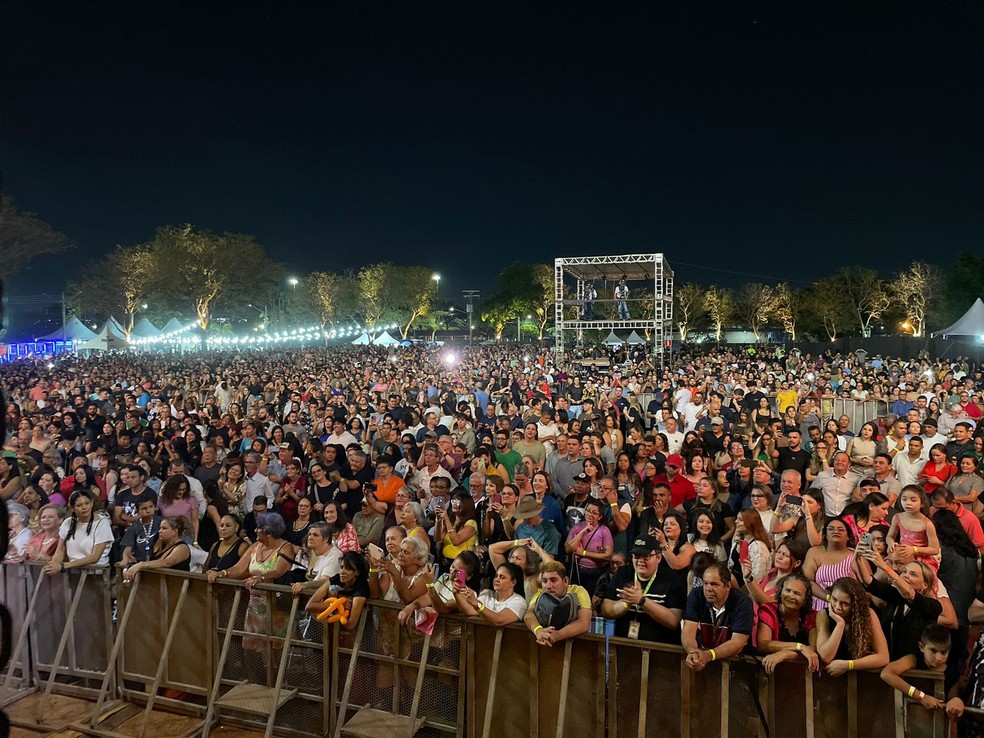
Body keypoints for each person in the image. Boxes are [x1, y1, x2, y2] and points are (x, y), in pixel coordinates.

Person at [857, 546, 944, 660]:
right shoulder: (895, 596)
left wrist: (885, 567)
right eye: (904, 572)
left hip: (916, 666)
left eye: (913, 574)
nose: (906, 575)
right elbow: (868, 581)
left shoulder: (933, 606)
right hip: (889, 660)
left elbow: (909, 593)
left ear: (925, 585)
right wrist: (858, 557)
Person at [601, 534, 686, 644]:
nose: (640, 561)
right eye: (636, 556)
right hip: (623, 644)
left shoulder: (672, 580)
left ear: (658, 557)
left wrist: (642, 601)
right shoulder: (623, 573)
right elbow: (606, 610)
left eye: (646, 556)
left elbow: (674, 621)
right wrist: (626, 604)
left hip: (659, 648)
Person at [682, 562, 755, 670]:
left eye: (714, 584)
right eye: (705, 583)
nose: (708, 589)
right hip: (703, 660)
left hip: (735, 664)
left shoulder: (742, 602)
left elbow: (737, 642)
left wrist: (709, 655)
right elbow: (688, 630)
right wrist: (692, 651)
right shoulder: (697, 595)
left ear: (728, 586)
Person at [881, 624, 963, 716]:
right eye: (933, 651)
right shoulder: (913, 660)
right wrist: (921, 696)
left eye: (943, 652)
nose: (939, 658)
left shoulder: (953, 672)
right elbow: (886, 673)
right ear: (922, 647)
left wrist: (956, 702)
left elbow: (953, 700)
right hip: (908, 716)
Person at [815, 577, 890, 675]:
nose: (837, 607)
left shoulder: (868, 615)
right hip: (832, 679)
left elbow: (883, 657)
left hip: (863, 676)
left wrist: (848, 665)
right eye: (834, 599)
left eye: (844, 604)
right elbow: (825, 655)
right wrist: (840, 624)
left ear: (854, 605)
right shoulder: (823, 615)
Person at [756, 572, 820, 674]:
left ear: (805, 599)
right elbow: (763, 644)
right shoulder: (768, 610)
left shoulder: (812, 616)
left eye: (797, 593)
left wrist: (785, 654)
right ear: (780, 592)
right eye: (788, 590)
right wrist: (800, 647)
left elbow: (813, 649)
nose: (791, 596)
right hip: (768, 672)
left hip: (802, 674)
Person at [44, 490, 114, 574]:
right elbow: (60, 550)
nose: (84, 507)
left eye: (87, 503)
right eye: (79, 505)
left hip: (96, 573)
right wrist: (54, 564)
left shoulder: (102, 522)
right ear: (73, 509)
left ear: (92, 503)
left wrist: (64, 566)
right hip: (73, 572)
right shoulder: (67, 523)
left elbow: (95, 557)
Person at [803, 517, 865, 611]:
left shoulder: (855, 555)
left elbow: (867, 582)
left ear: (848, 536)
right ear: (825, 534)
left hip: (847, 608)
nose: (836, 531)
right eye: (831, 529)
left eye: (840, 529)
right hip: (819, 606)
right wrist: (828, 598)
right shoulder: (814, 552)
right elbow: (807, 580)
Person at [525, 561, 592, 646]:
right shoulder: (540, 594)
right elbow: (529, 614)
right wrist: (538, 630)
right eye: (544, 581)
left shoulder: (579, 591)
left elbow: (584, 623)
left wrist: (557, 635)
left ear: (565, 581)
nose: (548, 586)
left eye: (553, 580)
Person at [304, 552, 370, 632]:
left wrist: (333, 607)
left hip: (358, 635)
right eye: (341, 567)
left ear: (357, 572)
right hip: (328, 631)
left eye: (348, 569)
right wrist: (339, 606)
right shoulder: (336, 579)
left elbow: (350, 625)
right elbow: (309, 605)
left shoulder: (362, 587)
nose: (342, 571)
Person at [564, 497, 613, 596]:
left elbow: (607, 555)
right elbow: (568, 549)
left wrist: (584, 553)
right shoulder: (577, 527)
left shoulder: (604, 530)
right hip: (576, 570)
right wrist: (582, 532)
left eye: (594, 513)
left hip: (595, 573)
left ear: (599, 517)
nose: (590, 514)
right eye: (588, 511)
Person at [887, 485, 940, 573]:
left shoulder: (927, 524)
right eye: (904, 499)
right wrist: (891, 543)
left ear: (922, 503)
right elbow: (890, 536)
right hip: (900, 556)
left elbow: (935, 549)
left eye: (913, 500)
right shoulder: (897, 517)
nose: (908, 503)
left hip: (920, 560)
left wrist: (913, 550)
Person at [455, 562, 528, 626]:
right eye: (496, 576)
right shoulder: (487, 594)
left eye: (502, 577)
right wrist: (456, 592)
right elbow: (470, 611)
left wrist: (477, 604)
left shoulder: (519, 602)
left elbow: (499, 620)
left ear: (513, 582)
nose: (497, 579)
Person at [122, 516, 192, 580]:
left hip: (176, 587)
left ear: (175, 531)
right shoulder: (159, 542)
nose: (160, 531)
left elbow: (166, 562)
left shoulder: (182, 548)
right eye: (160, 528)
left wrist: (139, 565)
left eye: (164, 528)